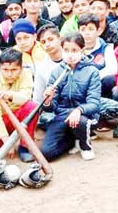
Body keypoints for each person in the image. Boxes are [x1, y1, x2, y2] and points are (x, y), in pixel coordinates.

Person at [40, 33, 101, 161]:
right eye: (66, 50)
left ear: (82, 50)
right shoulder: (57, 71)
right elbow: (51, 108)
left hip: (84, 116)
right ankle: (71, 140)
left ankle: (85, 146)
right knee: (46, 152)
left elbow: (94, 104)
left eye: (74, 50)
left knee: (80, 122)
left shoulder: (92, 71)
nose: (70, 54)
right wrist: (48, 101)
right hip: (62, 115)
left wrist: (79, 110)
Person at [0, 48, 38, 161]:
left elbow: (26, 97)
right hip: (2, 118)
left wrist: (10, 95)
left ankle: (24, 146)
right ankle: (6, 143)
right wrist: (7, 142)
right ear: (0, 68)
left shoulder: (26, 74)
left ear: (21, 68)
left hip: (19, 115)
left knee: (32, 107)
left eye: (14, 69)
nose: (9, 74)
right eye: (5, 69)